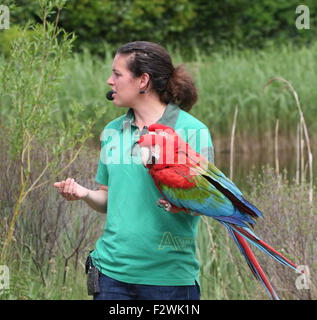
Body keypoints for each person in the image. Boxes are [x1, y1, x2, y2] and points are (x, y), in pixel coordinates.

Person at [53, 41, 214, 300]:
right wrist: (84, 193)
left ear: (143, 81)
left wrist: (180, 204)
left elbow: (203, 202)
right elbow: (108, 200)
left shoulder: (192, 131)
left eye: (117, 74)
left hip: (168, 279)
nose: (109, 81)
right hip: (111, 277)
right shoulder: (112, 132)